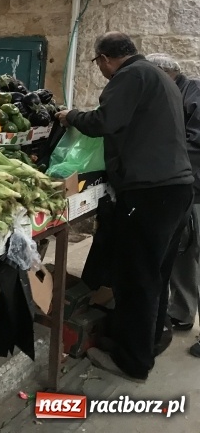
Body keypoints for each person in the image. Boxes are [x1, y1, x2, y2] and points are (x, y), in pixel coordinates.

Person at [56, 32, 193, 381]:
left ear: (103, 59)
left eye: (99, 64)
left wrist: (71, 116)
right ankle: (149, 344)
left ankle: (131, 362)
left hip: (149, 193)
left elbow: (104, 121)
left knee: (137, 279)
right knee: (157, 274)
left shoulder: (130, 75)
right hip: (176, 188)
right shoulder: (161, 77)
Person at [146, 54, 200, 343]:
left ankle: (183, 311)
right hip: (184, 182)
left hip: (194, 185)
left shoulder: (194, 94)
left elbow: (192, 142)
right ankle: (180, 309)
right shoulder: (175, 92)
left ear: (165, 74)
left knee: (190, 250)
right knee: (181, 251)